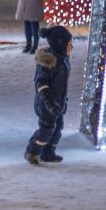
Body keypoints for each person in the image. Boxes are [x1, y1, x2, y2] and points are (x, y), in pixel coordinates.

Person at [25, 25, 72, 165]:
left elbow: (61, 84)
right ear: (61, 44)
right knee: (47, 129)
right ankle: (32, 152)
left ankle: (48, 153)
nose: (72, 47)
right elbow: (41, 83)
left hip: (58, 104)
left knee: (57, 128)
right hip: (46, 105)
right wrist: (48, 101)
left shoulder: (63, 60)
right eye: (69, 44)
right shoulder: (49, 62)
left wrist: (62, 100)